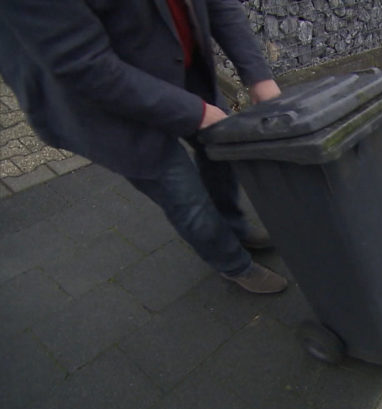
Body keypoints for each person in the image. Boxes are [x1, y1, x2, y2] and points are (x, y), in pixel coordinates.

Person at [0, 0, 288, 294]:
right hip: (106, 104)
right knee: (186, 197)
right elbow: (85, 66)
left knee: (222, 161)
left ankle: (235, 228)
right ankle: (232, 263)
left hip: (181, 66)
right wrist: (195, 112)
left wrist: (258, 75)